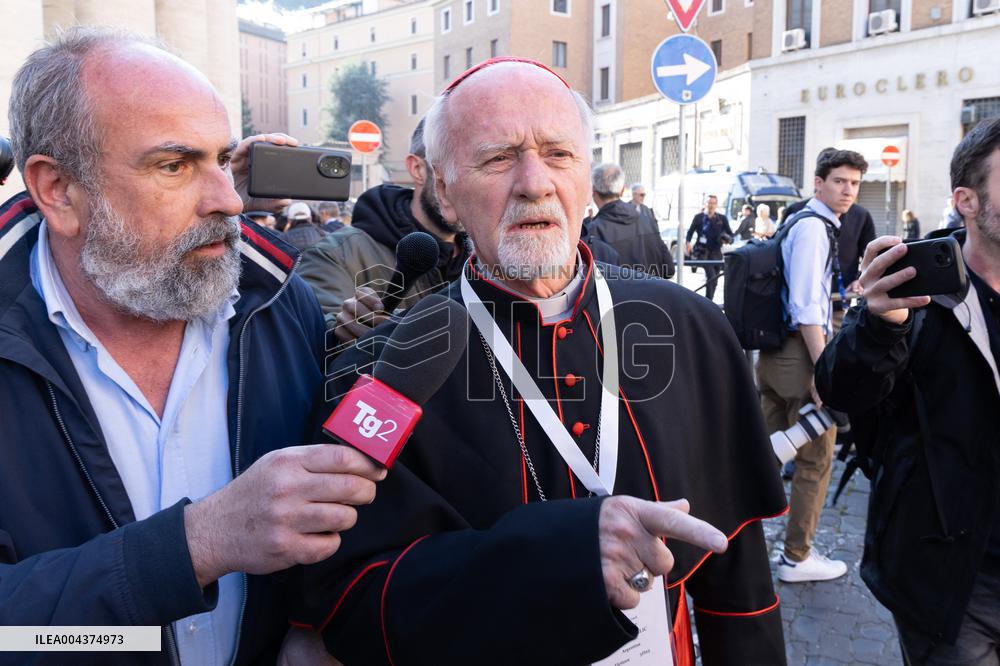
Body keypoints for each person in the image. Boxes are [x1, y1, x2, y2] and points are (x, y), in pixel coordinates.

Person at [290, 57, 787, 666]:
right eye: (499, 157)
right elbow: (350, 598)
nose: (535, 182)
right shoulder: (385, 366)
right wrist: (556, 557)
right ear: (443, 192)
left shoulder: (691, 327)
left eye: (559, 154)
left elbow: (737, 573)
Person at [0, 28, 384, 665]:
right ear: (58, 190)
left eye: (223, 159)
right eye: (174, 166)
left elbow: (336, 531)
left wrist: (313, 621)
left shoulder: (280, 298)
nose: (229, 200)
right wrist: (193, 547)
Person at [817, 117, 1000, 665]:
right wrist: (880, 325)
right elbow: (843, 390)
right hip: (951, 580)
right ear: (966, 201)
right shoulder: (918, 292)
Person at [757, 147, 869, 584]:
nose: (848, 190)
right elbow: (806, 306)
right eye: (839, 181)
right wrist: (825, 371)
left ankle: (738, 539)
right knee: (815, 462)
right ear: (818, 183)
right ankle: (797, 557)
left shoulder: (800, 223)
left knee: (763, 453)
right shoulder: (813, 229)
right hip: (800, 356)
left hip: (776, 355)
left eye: (855, 184)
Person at [298, 118, 470, 341]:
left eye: (487, 164)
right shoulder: (336, 255)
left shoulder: (490, 256)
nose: (466, 182)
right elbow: (314, 341)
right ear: (417, 169)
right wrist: (348, 333)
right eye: (452, 166)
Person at [589, 164, 674, 278]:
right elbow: (669, 269)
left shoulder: (592, 231)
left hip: (620, 295)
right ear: (623, 190)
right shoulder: (648, 221)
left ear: (593, 190)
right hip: (652, 294)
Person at [685, 194, 733, 300]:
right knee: (711, 277)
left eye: (713, 203)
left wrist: (727, 239)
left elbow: (731, 235)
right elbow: (690, 232)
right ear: (706, 204)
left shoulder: (722, 218)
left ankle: (708, 300)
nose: (711, 205)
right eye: (709, 203)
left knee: (714, 280)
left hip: (716, 252)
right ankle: (708, 302)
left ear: (716, 205)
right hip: (703, 252)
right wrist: (688, 243)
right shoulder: (699, 217)